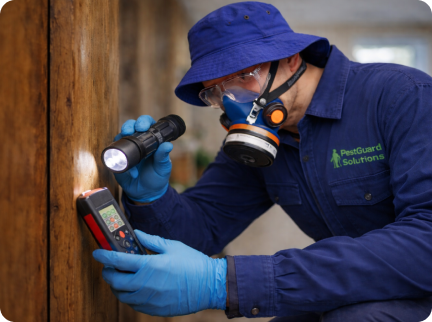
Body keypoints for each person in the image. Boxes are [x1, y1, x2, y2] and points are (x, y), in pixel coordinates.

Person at [92, 2, 432, 321]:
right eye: (215, 91)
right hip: (359, 295)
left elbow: (425, 242)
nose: (231, 101)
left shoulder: (403, 97)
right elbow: (198, 233)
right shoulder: (261, 140)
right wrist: (151, 198)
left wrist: (226, 282)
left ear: (292, 60)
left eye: (243, 77)